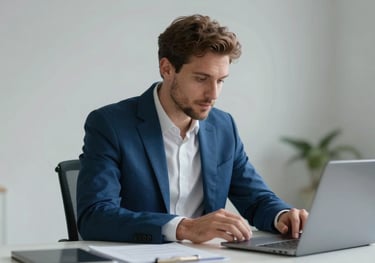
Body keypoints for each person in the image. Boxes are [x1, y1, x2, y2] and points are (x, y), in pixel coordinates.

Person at [77, 14, 308, 244]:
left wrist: (284, 216)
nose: (213, 94)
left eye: (220, 80)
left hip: (208, 258)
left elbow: (256, 199)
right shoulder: (110, 124)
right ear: (167, 69)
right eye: (201, 79)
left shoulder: (223, 127)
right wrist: (184, 228)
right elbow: (94, 216)